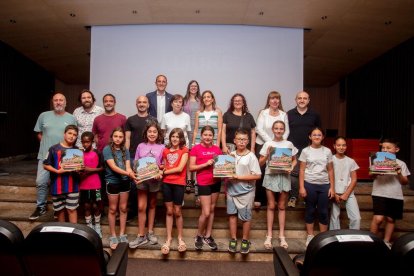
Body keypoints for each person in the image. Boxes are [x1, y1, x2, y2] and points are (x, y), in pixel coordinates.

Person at [30, 92, 77, 221]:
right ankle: (41, 206)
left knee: (63, 181)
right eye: (55, 100)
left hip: (64, 156)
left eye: (61, 100)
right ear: (53, 102)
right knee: (41, 182)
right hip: (45, 155)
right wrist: (48, 146)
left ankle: (60, 209)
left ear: (65, 103)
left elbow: (73, 135)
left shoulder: (71, 118)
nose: (58, 102)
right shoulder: (43, 116)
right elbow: (39, 133)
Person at [259, 120, 297, 250]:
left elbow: (294, 160)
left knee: (281, 206)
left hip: (284, 176)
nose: (279, 131)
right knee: (270, 205)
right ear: (273, 130)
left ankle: (282, 236)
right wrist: (268, 154)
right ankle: (269, 235)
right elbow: (260, 163)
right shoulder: (268, 143)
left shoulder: (289, 144)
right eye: (276, 128)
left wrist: (291, 167)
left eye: (281, 128)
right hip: (270, 175)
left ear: (284, 130)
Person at [129, 122, 165, 249]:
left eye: (154, 132)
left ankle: (150, 232)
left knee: (152, 205)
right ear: (146, 133)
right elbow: (136, 163)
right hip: (142, 180)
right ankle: (141, 235)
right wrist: (136, 174)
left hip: (154, 180)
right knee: (141, 207)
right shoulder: (140, 146)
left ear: (158, 133)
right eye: (150, 131)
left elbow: (163, 164)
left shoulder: (162, 147)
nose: (152, 134)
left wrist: (159, 171)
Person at [370, 138, 410, 248]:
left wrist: (399, 172)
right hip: (379, 193)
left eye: (388, 148)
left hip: (395, 195)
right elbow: (371, 176)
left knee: (391, 219)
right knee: (378, 219)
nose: (385, 150)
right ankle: (371, 242)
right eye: (383, 147)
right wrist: (376, 172)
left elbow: (405, 182)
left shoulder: (401, 163)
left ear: (396, 149)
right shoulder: (376, 160)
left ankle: (386, 241)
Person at [226, 129, 261, 254]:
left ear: (248, 141)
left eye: (244, 139)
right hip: (231, 190)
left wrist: (238, 177)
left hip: (246, 191)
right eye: (239, 139)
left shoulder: (251, 156)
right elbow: (225, 171)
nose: (241, 142)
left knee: (246, 217)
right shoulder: (231, 155)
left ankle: (245, 240)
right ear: (234, 141)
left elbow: (257, 175)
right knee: (232, 215)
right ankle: (233, 239)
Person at [299, 127, 334, 247]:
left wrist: (332, 187)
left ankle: (323, 238)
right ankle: (310, 236)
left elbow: (330, 170)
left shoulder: (328, 151)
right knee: (310, 210)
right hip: (309, 184)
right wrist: (302, 187)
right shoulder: (305, 151)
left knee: (323, 211)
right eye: (314, 135)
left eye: (319, 135)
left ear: (323, 137)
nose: (317, 137)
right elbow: (302, 170)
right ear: (310, 137)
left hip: (324, 185)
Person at [190, 126, 222, 251]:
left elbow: (222, 165)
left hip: (216, 182)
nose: (207, 137)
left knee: (212, 210)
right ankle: (199, 235)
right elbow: (191, 168)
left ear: (212, 136)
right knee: (206, 212)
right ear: (201, 136)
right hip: (203, 182)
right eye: (205, 135)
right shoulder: (196, 149)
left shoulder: (217, 149)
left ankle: (208, 236)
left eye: (210, 135)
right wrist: (205, 164)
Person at [254, 91, 289, 208]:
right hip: (263, 143)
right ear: (268, 101)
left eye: (277, 98)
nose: (275, 101)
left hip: (280, 145)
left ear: (279, 101)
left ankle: (274, 199)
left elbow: (287, 130)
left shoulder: (283, 114)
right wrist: (271, 142)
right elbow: (259, 129)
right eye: (272, 98)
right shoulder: (263, 113)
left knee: (276, 171)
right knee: (262, 171)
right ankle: (259, 198)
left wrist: (279, 142)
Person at [125, 95, 157, 221]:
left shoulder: (153, 120)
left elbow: (157, 136)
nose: (142, 104)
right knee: (135, 186)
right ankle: (133, 211)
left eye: (144, 102)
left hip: (151, 158)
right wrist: (127, 157)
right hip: (134, 156)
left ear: (148, 104)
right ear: (136, 104)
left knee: (150, 185)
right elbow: (127, 139)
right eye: (139, 102)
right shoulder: (130, 120)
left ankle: (150, 214)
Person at [102, 127, 135, 250]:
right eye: (116, 136)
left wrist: (132, 173)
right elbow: (113, 167)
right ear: (112, 137)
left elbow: (127, 166)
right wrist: (129, 174)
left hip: (125, 182)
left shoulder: (125, 150)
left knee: (123, 208)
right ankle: (113, 235)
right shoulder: (107, 149)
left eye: (121, 137)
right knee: (112, 209)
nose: (118, 139)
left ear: (123, 139)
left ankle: (122, 233)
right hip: (112, 182)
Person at [287, 91, 321, 208]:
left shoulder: (315, 115)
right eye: (299, 98)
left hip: (310, 150)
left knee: (309, 174)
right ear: (296, 100)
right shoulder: (289, 114)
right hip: (293, 151)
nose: (302, 100)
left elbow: (318, 133)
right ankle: (294, 197)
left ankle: (308, 198)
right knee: (293, 175)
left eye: (305, 98)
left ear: (308, 100)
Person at [43, 124, 81, 223]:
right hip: (57, 186)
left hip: (73, 186)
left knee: (72, 210)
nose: (72, 136)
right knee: (60, 211)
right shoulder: (53, 149)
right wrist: (57, 171)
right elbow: (45, 165)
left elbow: (79, 170)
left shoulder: (77, 150)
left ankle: (74, 233)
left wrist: (79, 169)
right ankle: (63, 233)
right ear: (64, 134)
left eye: (74, 134)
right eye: (69, 133)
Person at [160, 128, 189, 254]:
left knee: (177, 211)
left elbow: (180, 168)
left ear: (181, 138)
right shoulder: (165, 150)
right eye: (173, 136)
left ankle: (180, 238)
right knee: (169, 211)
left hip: (178, 184)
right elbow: (166, 164)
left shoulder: (184, 150)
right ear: (170, 138)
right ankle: (168, 238)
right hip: (166, 183)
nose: (175, 139)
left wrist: (164, 171)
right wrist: (162, 167)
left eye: (177, 136)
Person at [329, 136, 361, 230]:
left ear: (346, 147)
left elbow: (354, 179)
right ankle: (335, 238)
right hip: (334, 192)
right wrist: (334, 193)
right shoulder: (330, 160)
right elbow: (328, 178)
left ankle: (354, 237)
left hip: (348, 192)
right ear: (334, 146)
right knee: (334, 217)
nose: (341, 147)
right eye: (338, 145)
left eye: (343, 145)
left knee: (356, 218)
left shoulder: (351, 161)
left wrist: (346, 194)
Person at [79, 131, 104, 238]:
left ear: (92, 141)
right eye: (83, 142)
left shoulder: (98, 152)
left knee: (95, 205)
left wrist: (90, 169)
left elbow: (102, 168)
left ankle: (97, 225)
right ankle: (89, 226)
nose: (85, 144)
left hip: (96, 183)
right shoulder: (79, 154)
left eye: (88, 142)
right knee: (86, 205)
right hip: (83, 184)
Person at [183, 80, 201, 192]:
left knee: (196, 156)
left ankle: (195, 181)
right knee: (189, 156)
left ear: (198, 88)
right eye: (191, 86)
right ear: (188, 87)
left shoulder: (201, 101)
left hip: (198, 130)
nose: (193, 88)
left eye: (195, 86)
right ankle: (189, 180)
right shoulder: (184, 100)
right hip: (187, 131)